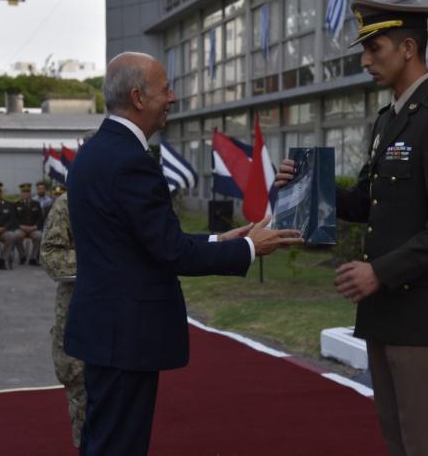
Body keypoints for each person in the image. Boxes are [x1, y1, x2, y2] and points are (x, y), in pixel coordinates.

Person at [66, 52, 302, 456]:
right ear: (139, 98)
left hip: (106, 331)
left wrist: (218, 241)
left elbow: (146, 242)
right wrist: (249, 248)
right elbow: (170, 252)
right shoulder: (130, 161)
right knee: (119, 445)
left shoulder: (97, 151)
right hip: (127, 336)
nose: (173, 98)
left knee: (104, 440)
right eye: (166, 89)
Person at [275, 0, 428, 456]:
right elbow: (369, 201)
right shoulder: (390, 120)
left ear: (408, 48)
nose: (365, 60)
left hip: (419, 314)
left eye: (374, 48)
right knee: (397, 438)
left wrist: (380, 271)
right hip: (384, 311)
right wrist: (309, 187)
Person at [40, 188, 86, 448]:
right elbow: (51, 256)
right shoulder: (70, 202)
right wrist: (103, 262)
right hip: (78, 310)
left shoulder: (132, 196)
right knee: (80, 388)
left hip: (125, 315)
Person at [12, 182, 43, 266]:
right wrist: (21, 226)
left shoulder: (36, 204)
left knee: (39, 236)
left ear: (30, 193)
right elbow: (14, 218)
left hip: (33, 228)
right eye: (24, 192)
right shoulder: (16, 204)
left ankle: (33, 258)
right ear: (21, 193)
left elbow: (40, 218)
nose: (26, 194)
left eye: (28, 192)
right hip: (21, 228)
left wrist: (35, 226)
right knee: (16, 235)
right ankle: (22, 256)